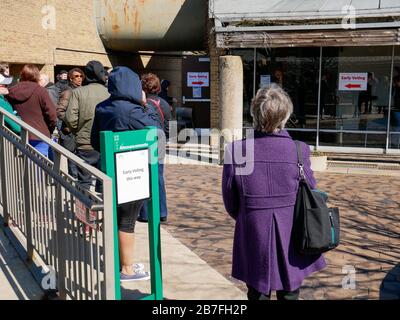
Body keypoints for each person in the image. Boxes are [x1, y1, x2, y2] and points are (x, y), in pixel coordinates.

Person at [222, 84, 326, 300]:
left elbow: (230, 200)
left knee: (257, 293)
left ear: (254, 113)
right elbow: (311, 188)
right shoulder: (299, 149)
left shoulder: (236, 150)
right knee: (290, 292)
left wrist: (248, 215)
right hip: (292, 232)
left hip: (253, 230)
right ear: (285, 114)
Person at [91, 66, 161, 282]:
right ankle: (127, 269)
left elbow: (95, 141)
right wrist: (145, 104)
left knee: (117, 219)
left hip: (109, 171)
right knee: (127, 222)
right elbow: (157, 131)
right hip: (132, 173)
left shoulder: (102, 107)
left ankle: (121, 262)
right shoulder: (132, 109)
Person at [64, 61, 109, 190]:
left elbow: (70, 118)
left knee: (84, 183)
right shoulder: (109, 93)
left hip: (85, 143)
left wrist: (78, 130)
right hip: (104, 143)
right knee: (103, 182)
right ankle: (103, 208)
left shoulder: (78, 92)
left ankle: (85, 209)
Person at [137, 73, 170, 223]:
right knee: (158, 177)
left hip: (146, 141)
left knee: (145, 177)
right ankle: (162, 211)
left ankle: (145, 213)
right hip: (160, 140)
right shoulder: (163, 103)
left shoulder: (142, 103)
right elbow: (169, 126)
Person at [7, 65, 57, 157]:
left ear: (22, 75)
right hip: (40, 134)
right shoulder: (41, 91)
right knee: (40, 167)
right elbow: (52, 114)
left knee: (24, 166)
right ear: (37, 76)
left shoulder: (11, 91)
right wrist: (50, 128)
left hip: (20, 133)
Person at [57, 67, 86, 178]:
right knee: (73, 158)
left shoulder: (83, 90)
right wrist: (71, 122)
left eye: (81, 76)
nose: (79, 79)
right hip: (70, 131)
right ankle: (74, 183)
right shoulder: (68, 92)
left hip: (82, 129)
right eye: (76, 76)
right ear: (70, 78)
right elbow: (60, 111)